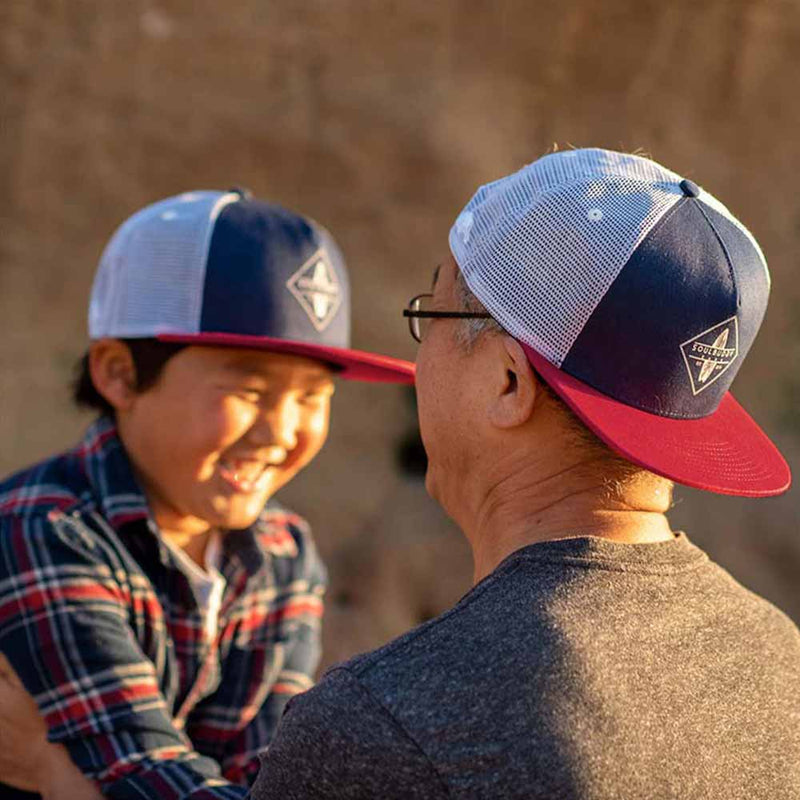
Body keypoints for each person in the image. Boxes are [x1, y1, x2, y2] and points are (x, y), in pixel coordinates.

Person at [248, 149, 800, 798]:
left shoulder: (384, 727)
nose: (417, 362)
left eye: (434, 312)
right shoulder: (779, 660)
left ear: (508, 381)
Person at [0, 188, 414, 799]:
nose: (281, 432)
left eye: (311, 398)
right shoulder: (42, 530)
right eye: (249, 389)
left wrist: (52, 773)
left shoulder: (282, 551)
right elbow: (144, 772)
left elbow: (274, 780)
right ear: (118, 372)